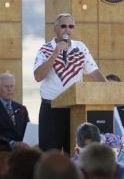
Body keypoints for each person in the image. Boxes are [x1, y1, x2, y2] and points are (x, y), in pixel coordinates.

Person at [33, 13, 107, 154]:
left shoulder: (80, 47)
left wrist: (110, 91)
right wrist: (55, 54)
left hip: (75, 109)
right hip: (52, 110)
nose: (67, 30)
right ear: (55, 29)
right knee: (50, 155)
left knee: (74, 153)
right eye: (63, 26)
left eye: (71, 26)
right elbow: (38, 76)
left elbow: (94, 72)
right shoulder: (45, 49)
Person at [0, 73, 30, 148]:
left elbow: (28, 130)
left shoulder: (22, 108)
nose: (9, 89)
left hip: (23, 149)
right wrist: (12, 143)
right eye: (6, 86)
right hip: (3, 149)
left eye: (11, 86)